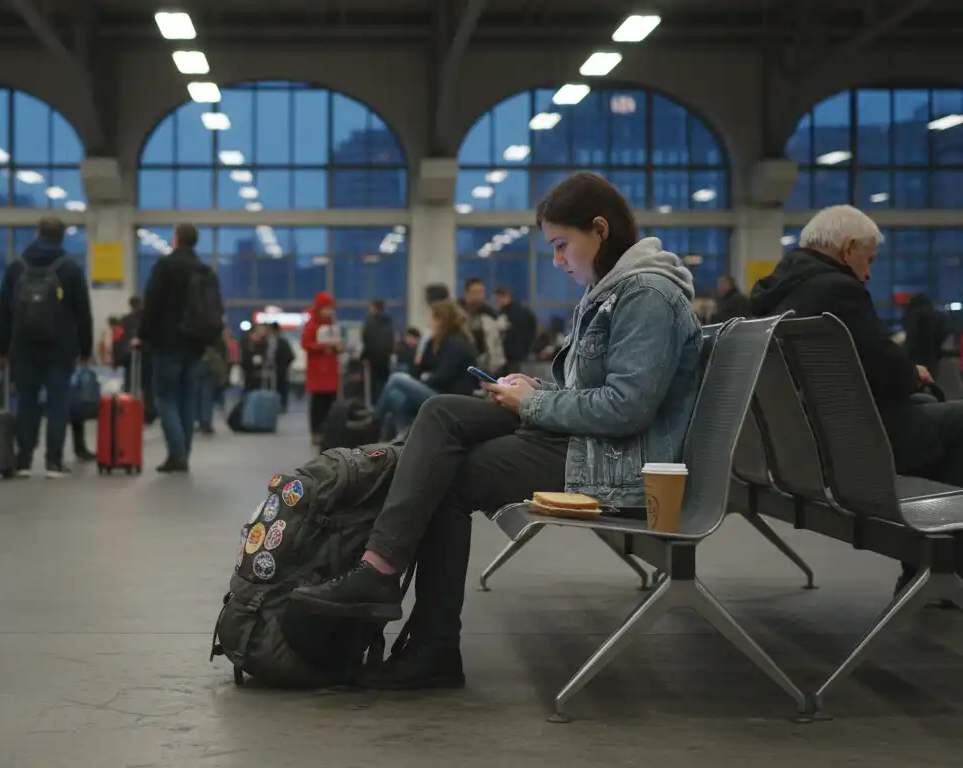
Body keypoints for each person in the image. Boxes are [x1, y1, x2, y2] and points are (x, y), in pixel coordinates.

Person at [291, 172, 703, 689]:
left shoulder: (645, 296)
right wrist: (533, 389)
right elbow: (594, 392)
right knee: (441, 412)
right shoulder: (614, 291)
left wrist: (533, 403)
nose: (557, 260)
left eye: (561, 245)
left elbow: (626, 409)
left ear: (600, 230)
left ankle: (419, 626)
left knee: (447, 478)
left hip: (612, 462)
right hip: (586, 441)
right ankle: (384, 576)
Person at [748, 205, 963, 597]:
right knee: (958, 421)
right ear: (848, 250)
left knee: (935, 415)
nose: (868, 273)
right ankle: (939, 569)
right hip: (852, 453)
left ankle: (928, 571)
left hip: (802, 449)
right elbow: (890, 370)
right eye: (869, 260)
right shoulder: (837, 289)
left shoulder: (776, 294)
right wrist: (914, 373)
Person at [0, 217, 93, 478]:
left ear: (37, 233)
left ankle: (24, 461)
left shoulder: (17, 266)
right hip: (61, 348)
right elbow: (83, 313)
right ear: (62, 237)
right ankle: (53, 462)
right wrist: (85, 350)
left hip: (23, 347)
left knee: (26, 402)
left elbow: (4, 310)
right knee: (58, 404)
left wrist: (1, 347)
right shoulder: (70, 268)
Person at [137, 223, 220, 473]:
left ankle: (177, 453)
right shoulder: (205, 270)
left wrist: (142, 335)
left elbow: (153, 303)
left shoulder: (166, 266)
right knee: (187, 397)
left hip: (168, 342)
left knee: (166, 397)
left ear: (176, 239)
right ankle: (184, 452)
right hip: (196, 343)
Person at [374, 300, 478, 431]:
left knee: (397, 378)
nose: (429, 323)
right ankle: (401, 436)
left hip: (450, 399)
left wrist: (421, 383)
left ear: (440, 321)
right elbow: (418, 368)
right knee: (397, 397)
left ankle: (375, 420)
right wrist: (425, 346)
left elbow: (442, 378)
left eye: (431, 319)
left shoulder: (456, 344)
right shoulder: (439, 342)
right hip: (440, 393)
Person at [301, 291, 343, 446]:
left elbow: (339, 343)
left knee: (331, 403)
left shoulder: (333, 325)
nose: (329, 311)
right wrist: (324, 346)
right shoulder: (311, 325)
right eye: (326, 308)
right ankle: (316, 432)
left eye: (331, 308)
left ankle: (329, 431)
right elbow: (306, 344)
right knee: (318, 404)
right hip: (317, 372)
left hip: (331, 371)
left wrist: (338, 347)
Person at [461, 277, 506, 375]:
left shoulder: (490, 313)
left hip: (485, 364)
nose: (478, 296)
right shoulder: (458, 312)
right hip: (462, 361)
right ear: (466, 292)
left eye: (481, 292)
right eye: (474, 292)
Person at [493, 286, 536, 375]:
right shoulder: (519, 310)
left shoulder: (517, 313)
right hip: (514, 353)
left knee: (513, 379)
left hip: (514, 354)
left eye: (499, 298)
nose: (498, 302)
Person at [903, 293, 948, 377]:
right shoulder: (935, 315)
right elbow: (942, 333)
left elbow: (912, 335)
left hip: (915, 357)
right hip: (931, 356)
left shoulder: (913, 314)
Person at [360, 299, 396, 405]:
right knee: (386, 383)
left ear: (373, 307)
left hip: (373, 357)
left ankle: (375, 409)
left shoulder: (370, 321)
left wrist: (363, 357)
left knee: (374, 386)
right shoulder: (389, 321)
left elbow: (366, 339)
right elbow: (392, 339)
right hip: (386, 357)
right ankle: (386, 406)